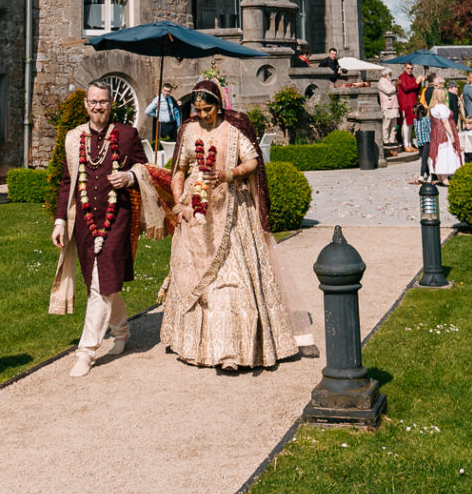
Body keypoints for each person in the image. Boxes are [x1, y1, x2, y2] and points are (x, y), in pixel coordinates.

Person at [162, 79, 314, 372]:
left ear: (219, 107)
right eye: (198, 109)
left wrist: (228, 174)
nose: (203, 115)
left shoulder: (232, 132)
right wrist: (180, 203)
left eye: (208, 109)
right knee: (193, 275)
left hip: (232, 212)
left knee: (233, 280)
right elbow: (178, 169)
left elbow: (254, 161)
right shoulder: (188, 130)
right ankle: (192, 343)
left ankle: (232, 351)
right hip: (195, 213)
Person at [50, 81, 163, 377]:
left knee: (102, 284)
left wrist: (128, 176)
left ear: (111, 104)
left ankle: (86, 352)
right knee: (99, 284)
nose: (98, 106)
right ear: (86, 104)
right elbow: (66, 183)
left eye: (103, 101)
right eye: (93, 101)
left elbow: (145, 170)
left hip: (118, 219)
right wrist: (60, 220)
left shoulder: (127, 135)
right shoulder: (74, 139)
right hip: (85, 224)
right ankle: (122, 332)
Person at [426, 99, 461, 181]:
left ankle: (441, 177)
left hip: (436, 132)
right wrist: (452, 135)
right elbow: (445, 121)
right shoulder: (442, 107)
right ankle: (444, 178)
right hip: (443, 132)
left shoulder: (433, 107)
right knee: (445, 153)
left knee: (438, 153)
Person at [146, 81, 181, 146]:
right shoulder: (158, 99)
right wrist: (156, 115)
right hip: (164, 126)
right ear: (162, 90)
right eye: (165, 91)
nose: (167, 93)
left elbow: (175, 110)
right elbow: (147, 111)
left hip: (173, 125)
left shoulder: (171, 98)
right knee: (164, 144)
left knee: (174, 144)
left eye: (168, 91)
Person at [395, 65, 420, 148]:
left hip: (412, 103)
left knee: (411, 124)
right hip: (405, 104)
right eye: (408, 68)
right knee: (406, 124)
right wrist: (416, 83)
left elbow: (416, 88)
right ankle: (406, 144)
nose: (410, 70)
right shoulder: (402, 77)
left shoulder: (413, 77)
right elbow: (405, 88)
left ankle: (409, 143)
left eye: (411, 68)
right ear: (404, 68)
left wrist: (419, 83)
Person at [377, 70, 400, 152]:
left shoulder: (389, 81)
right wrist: (395, 86)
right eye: (389, 74)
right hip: (387, 105)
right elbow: (388, 91)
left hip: (394, 105)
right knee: (386, 124)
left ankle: (392, 139)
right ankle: (385, 140)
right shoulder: (381, 82)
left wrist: (394, 85)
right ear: (385, 74)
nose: (390, 75)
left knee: (394, 124)